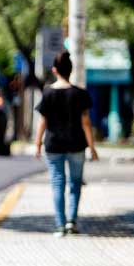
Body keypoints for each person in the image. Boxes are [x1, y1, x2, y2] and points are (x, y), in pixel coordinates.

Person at [34, 51, 99, 237]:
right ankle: (72, 221)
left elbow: (42, 122)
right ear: (71, 70)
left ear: (54, 70)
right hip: (77, 145)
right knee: (75, 183)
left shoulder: (47, 93)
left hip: (53, 145)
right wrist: (92, 148)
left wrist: (37, 144)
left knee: (57, 183)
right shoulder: (80, 94)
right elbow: (86, 123)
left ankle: (60, 225)